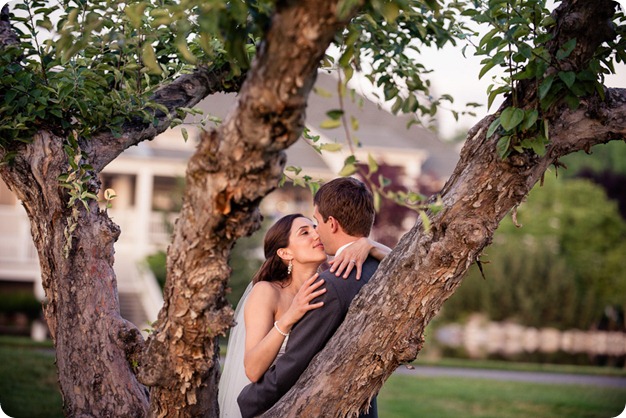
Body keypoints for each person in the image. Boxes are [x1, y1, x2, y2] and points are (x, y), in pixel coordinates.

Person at [218, 210, 389, 417]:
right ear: (285, 253)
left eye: (315, 227)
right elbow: (252, 370)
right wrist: (290, 315)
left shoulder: (330, 288)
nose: (316, 235)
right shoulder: (267, 291)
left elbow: (405, 264)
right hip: (275, 406)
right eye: (304, 232)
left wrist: (369, 244)